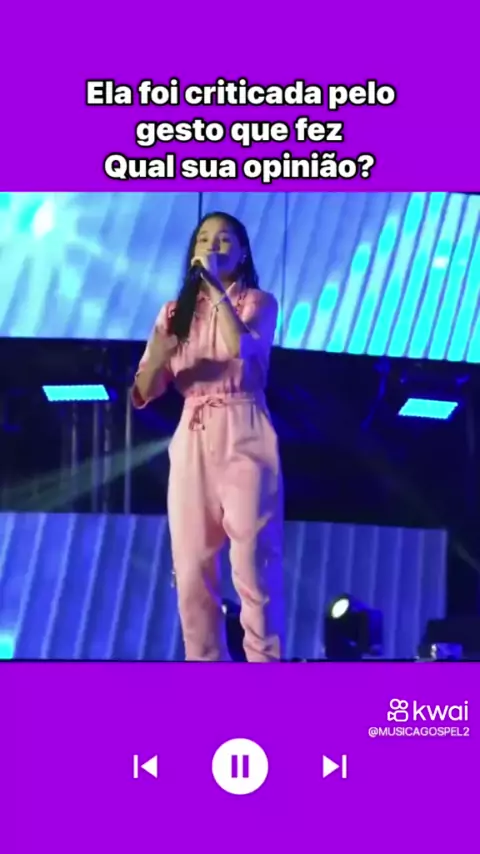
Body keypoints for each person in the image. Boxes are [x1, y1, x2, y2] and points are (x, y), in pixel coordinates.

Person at [132, 212, 284, 662]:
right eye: (204, 239)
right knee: (191, 568)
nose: (213, 247)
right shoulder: (174, 314)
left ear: (243, 252)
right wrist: (159, 353)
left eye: (224, 240)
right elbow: (144, 391)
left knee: (253, 561)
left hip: (245, 426)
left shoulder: (258, 302)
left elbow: (243, 350)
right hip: (192, 432)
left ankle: (266, 669)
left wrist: (214, 288)